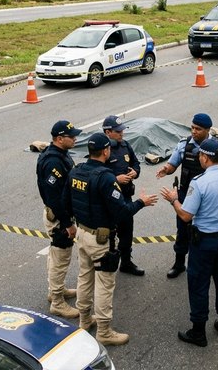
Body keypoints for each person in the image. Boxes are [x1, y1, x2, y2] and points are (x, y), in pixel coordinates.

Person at [64, 133, 158, 345]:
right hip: (100, 240)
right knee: (105, 284)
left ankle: (84, 320)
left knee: (84, 278)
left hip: (82, 233)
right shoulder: (106, 178)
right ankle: (104, 331)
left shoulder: (76, 171)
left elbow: (66, 203)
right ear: (106, 151)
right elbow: (122, 212)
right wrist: (141, 202)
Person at [160, 138, 218, 347]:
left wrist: (173, 200)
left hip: (205, 242)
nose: (199, 158)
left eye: (200, 155)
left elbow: (186, 216)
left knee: (198, 284)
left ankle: (198, 331)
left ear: (206, 158)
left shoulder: (199, 182)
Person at [155, 113, 218, 279]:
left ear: (207, 130)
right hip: (187, 193)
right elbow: (173, 164)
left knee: (207, 231)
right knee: (183, 230)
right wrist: (166, 169)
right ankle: (179, 263)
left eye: (198, 129)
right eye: (192, 127)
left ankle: (210, 264)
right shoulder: (184, 144)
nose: (193, 131)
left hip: (209, 196)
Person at [36, 120, 82, 319]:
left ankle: (57, 289)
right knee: (60, 258)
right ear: (60, 139)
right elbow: (54, 197)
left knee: (57, 256)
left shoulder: (60, 154)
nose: (75, 139)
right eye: (72, 136)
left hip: (62, 214)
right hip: (59, 217)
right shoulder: (53, 162)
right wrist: (67, 224)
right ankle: (57, 302)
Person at [102, 115, 144, 276]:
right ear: (108, 132)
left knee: (126, 232)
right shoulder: (103, 150)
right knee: (110, 235)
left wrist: (135, 172)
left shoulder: (125, 145)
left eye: (122, 131)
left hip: (125, 197)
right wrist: (116, 180)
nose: (122, 134)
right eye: (118, 131)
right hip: (109, 201)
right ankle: (108, 264)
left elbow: (136, 163)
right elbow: (97, 174)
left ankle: (126, 262)